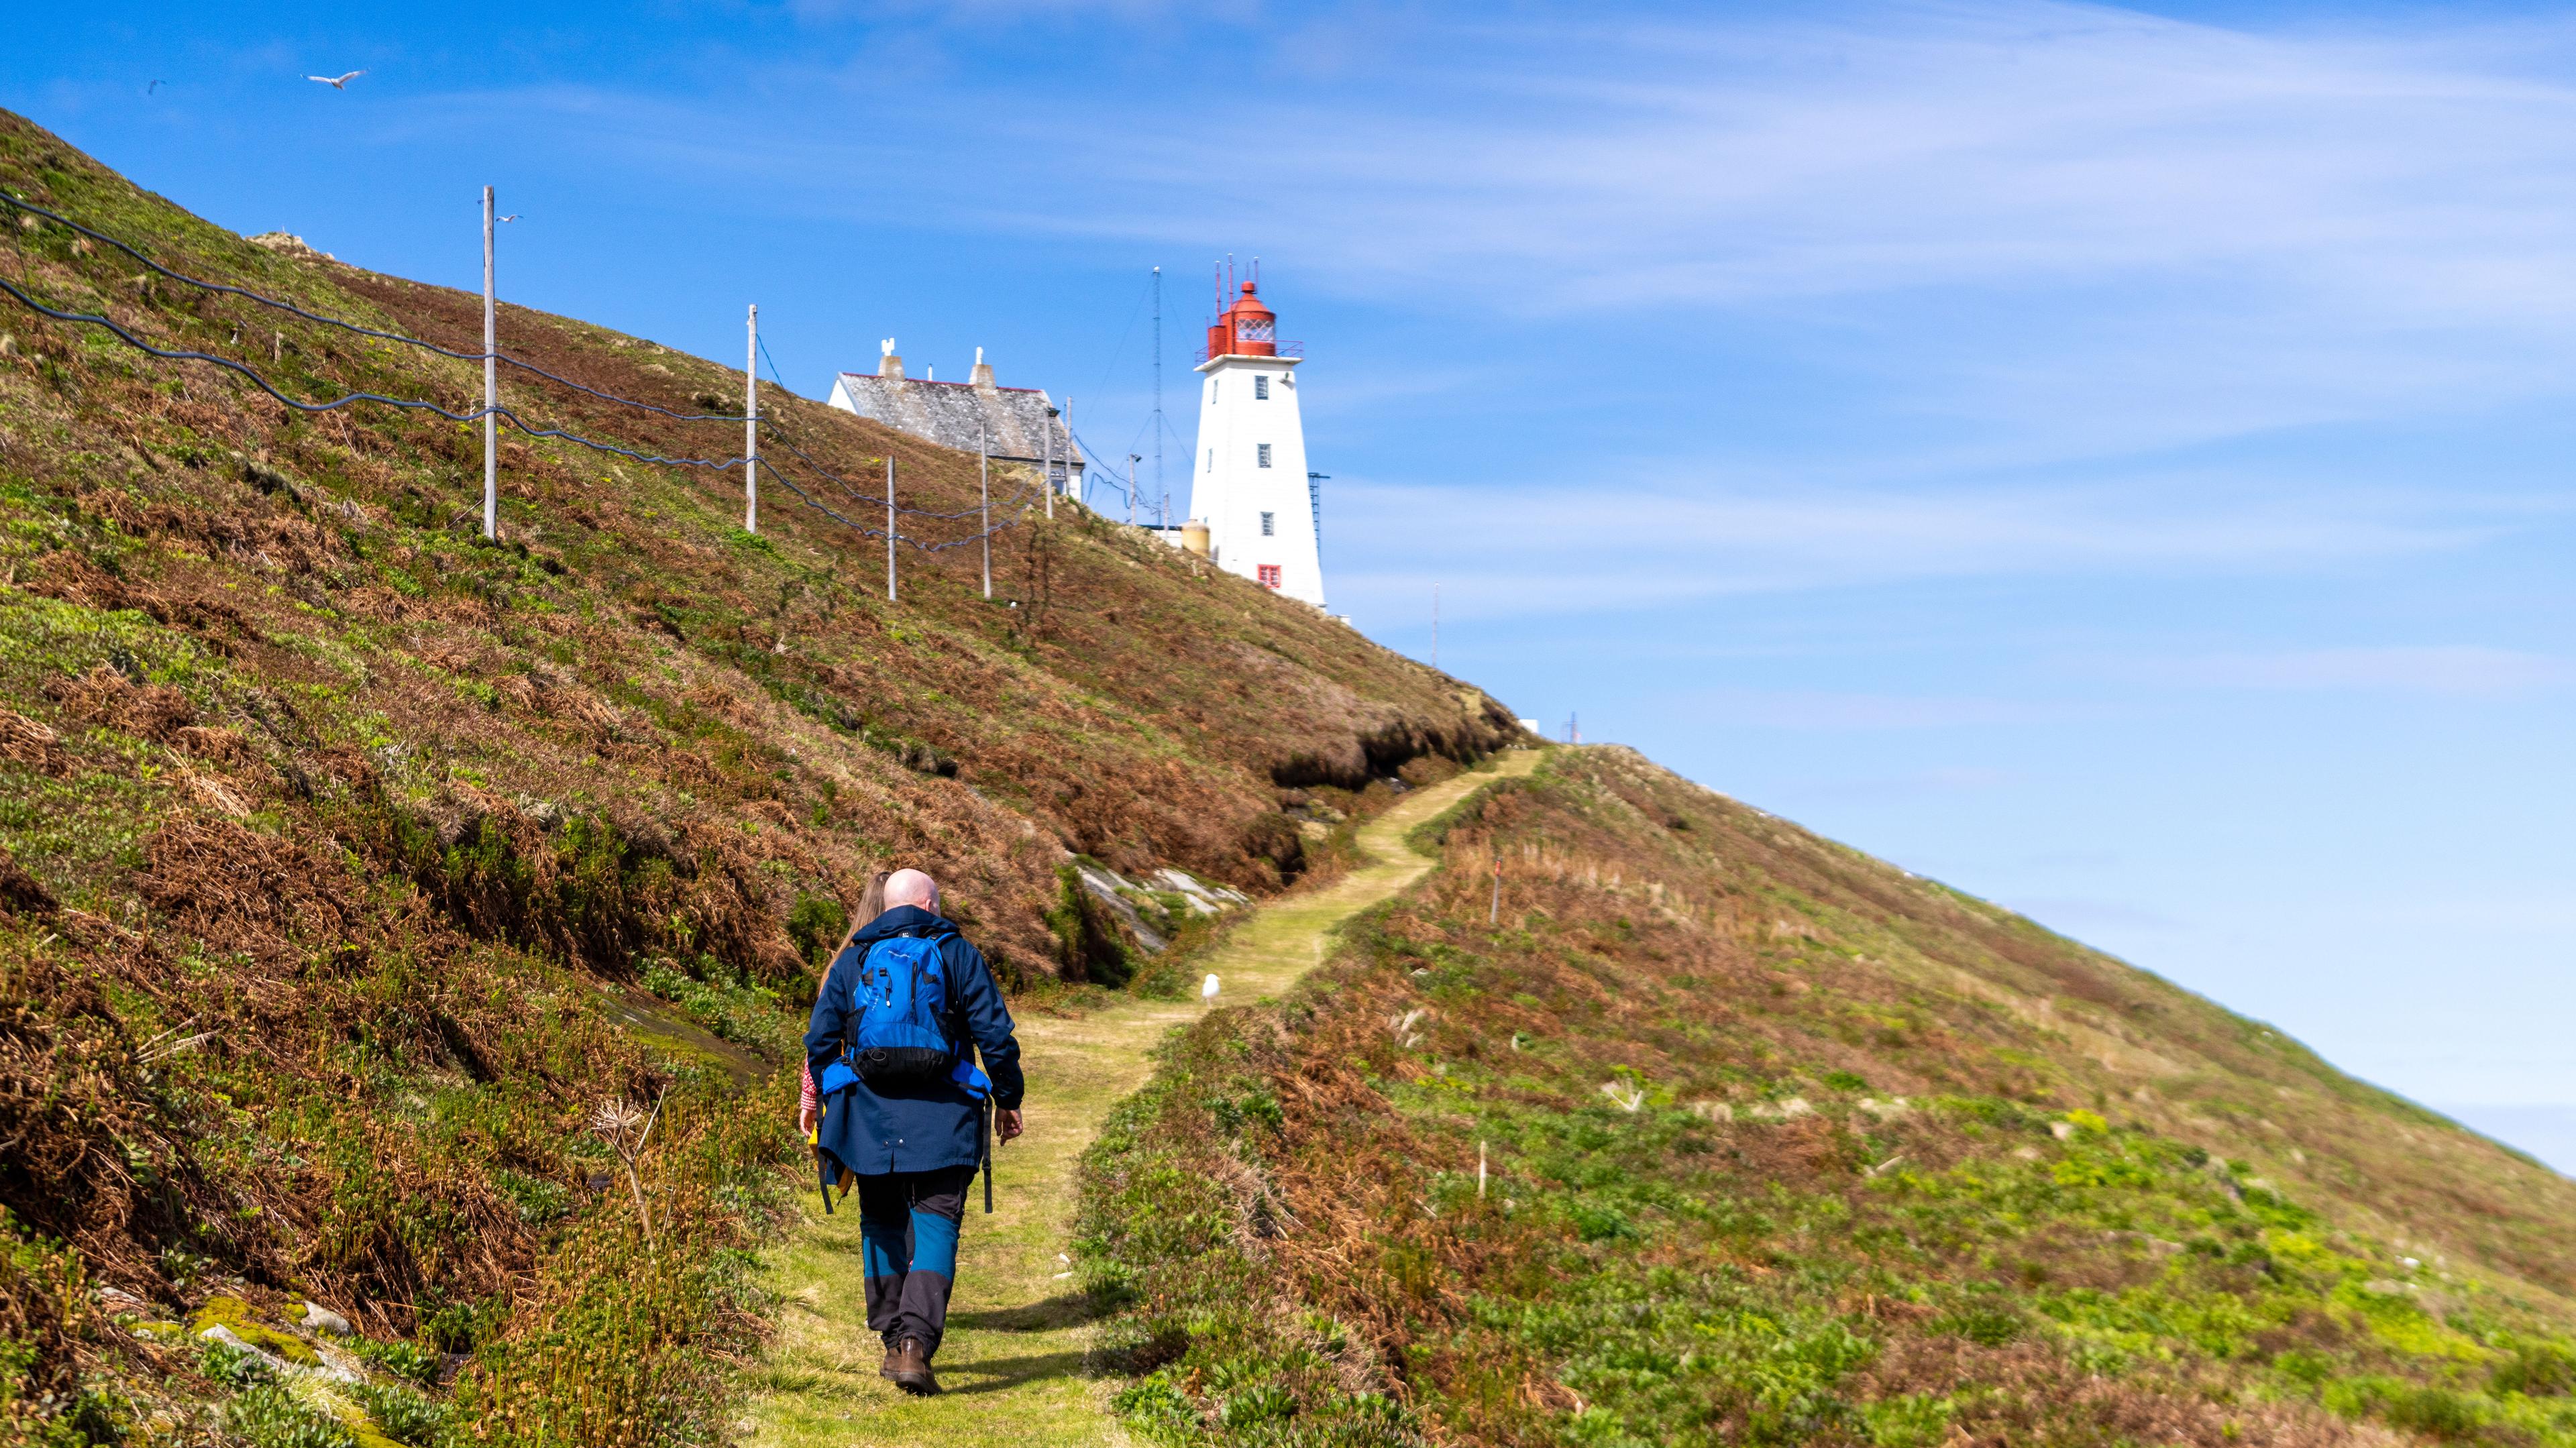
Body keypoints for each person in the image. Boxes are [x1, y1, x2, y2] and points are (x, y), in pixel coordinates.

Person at [804, 868, 1025, 1396]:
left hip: (867, 1116)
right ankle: (915, 1345)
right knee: (935, 1225)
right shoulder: (957, 953)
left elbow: (819, 1040)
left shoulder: (855, 956)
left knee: (879, 1219)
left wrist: (834, 1092)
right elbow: (995, 1034)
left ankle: (891, 1338)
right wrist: (1008, 1099)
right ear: (929, 903)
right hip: (943, 1115)